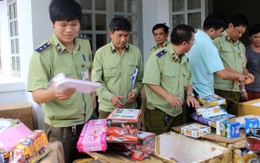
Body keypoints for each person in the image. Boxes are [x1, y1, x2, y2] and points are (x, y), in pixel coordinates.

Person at [27, 0, 95, 162]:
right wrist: (54, 93)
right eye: (63, 24)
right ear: (52, 24)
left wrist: (93, 96)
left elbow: (88, 71)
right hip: (62, 129)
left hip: (87, 122)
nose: (69, 30)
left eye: (74, 24)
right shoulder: (42, 55)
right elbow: (36, 95)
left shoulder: (84, 44)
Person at [186, 14, 247, 121]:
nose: (220, 35)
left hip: (191, 90)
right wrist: (240, 77)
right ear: (211, 30)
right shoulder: (209, 45)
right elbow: (222, 73)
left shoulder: (193, 38)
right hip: (203, 93)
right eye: (220, 32)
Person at [142, 24, 200, 135]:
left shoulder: (184, 59)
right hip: (159, 112)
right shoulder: (157, 57)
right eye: (192, 41)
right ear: (184, 43)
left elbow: (188, 80)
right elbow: (150, 82)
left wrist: (189, 95)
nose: (193, 44)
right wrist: (167, 96)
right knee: (159, 146)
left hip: (177, 111)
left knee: (175, 145)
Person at [91, 16, 143, 119]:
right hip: (108, 109)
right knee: (108, 135)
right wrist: (111, 97)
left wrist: (135, 92)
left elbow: (140, 79)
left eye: (126, 35)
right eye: (120, 35)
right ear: (111, 34)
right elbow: (96, 82)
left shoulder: (136, 52)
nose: (123, 39)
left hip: (130, 109)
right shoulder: (101, 53)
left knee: (131, 135)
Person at [213, 15, 254, 116]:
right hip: (220, 89)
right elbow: (215, 64)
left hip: (235, 90)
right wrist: (237, 74)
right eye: (238, 31)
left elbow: (242, 68)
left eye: (242, 33)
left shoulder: (241, 46)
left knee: (233, 121)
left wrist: (247, 74)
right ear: (230, 26)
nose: (240, 35)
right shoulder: (217, 40)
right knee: (219, 122)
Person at [141, 23, 170, 130]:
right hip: (150, 87)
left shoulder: (171, 49)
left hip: (164, 88)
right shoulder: (152, 50)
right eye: (155, 34)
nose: (158, 37)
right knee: (146, 115)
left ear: (167, 35)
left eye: (161, 34)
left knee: (161, 122)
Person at [245, 24, 260, 100]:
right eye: (255, 37)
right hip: (250, 90)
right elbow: (242, 67)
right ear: (250, 38)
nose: (258, 39)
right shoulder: (246, 51)